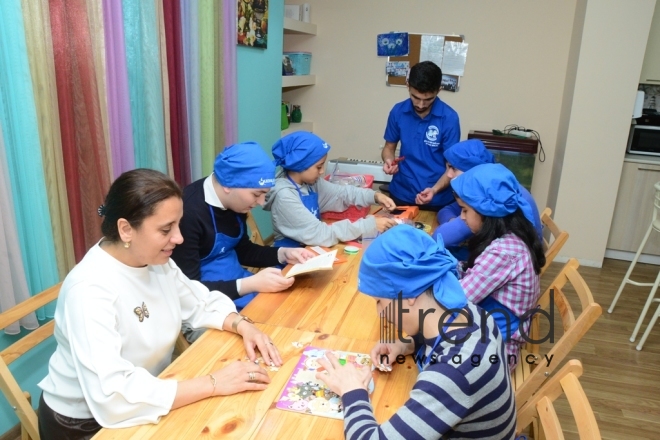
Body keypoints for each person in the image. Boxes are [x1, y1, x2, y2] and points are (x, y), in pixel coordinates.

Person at [37, 169, 281, 440]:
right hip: (86, 423)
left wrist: (244, 325)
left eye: (178, 224)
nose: (178, 238)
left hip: (150, 391)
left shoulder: (155, 262)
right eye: (166, 229)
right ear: (126, 229)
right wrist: (213, 383)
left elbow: (199, 301)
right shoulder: (89, 291)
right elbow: (113, 394)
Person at [316, 227, 516, 439]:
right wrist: (404, 345)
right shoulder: (474, 314)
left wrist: (352, 390)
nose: (380, 313)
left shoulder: (452, 374)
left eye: (380, 301)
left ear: (408, 294)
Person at [171, 142, 314, 341]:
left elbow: (243, 250)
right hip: (204, 307)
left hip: (240, 288)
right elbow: (190, 290)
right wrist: (250, 284)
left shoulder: (235, 204)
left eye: (265, 195)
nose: (261, 203)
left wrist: (282, 254)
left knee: (293, 319)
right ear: (228, 184)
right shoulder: (188, 214)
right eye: (257, 194)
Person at [450, 163, 546, 369]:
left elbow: (456, 300)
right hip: (491, 336)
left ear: (486, 212)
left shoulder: (504, 253)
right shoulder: (512, 236)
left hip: (494, 354)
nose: (462, 217)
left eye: (465, 210)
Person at [264, 132, 398, 247]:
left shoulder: (311, 184)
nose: (322, 171)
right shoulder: (284, 196)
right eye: (318, 167)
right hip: (289, 262)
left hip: (310, 251)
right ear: (300, 165)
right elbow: (319, 234)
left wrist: (374, 196)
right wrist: (367, 226)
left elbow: (342, 194)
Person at [433, 139, 543, 260]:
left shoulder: (488, 197)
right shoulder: (492, 185)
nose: (448, 175)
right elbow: (445, 210)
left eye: (452, 168)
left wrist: (456, 225)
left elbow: (440, 238)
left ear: (471, 170)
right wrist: (455, 220)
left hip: (505, 262)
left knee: (436, 256)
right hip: (509, 258)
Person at [381, 61, 460, 211]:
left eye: (428, 99)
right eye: (415, 97)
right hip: (401, 194)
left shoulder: (449, 118)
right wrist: (388, 160)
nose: (421, 105)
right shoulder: (398, 111)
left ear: (439, 90)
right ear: (407, 86)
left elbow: (453, 167)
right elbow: (388, 148)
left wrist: (434, 190)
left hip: (437, 199)